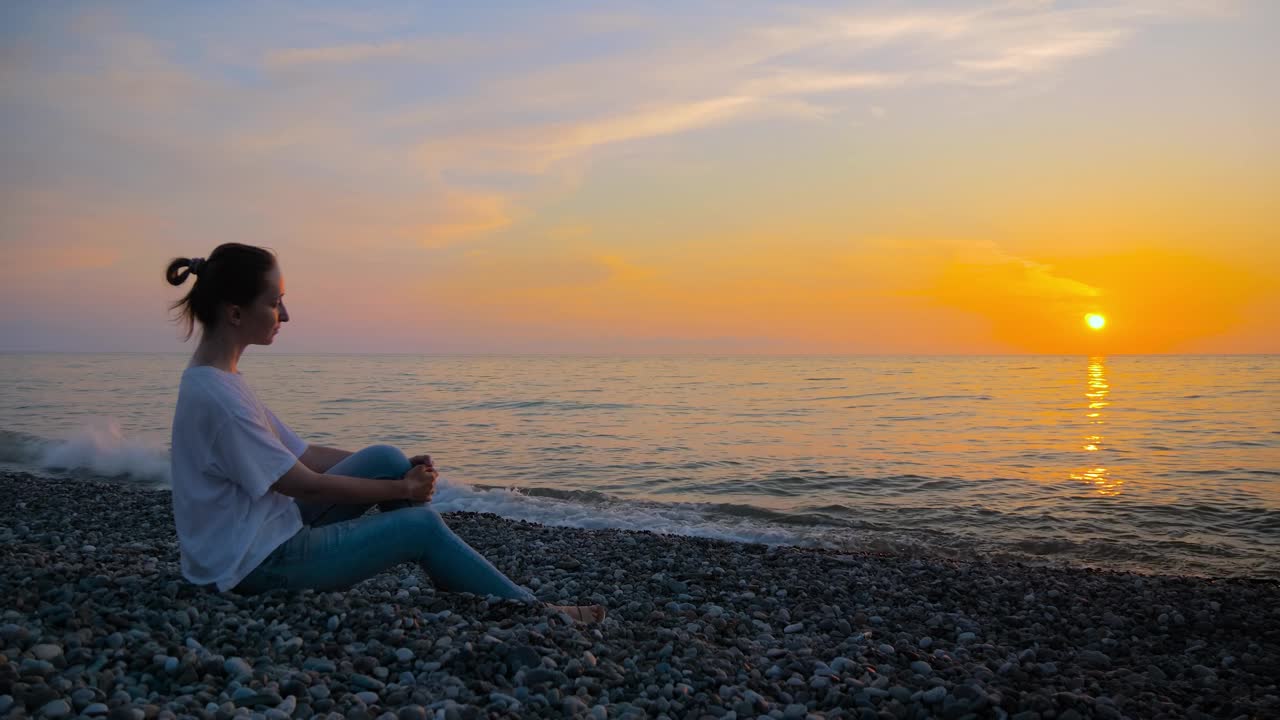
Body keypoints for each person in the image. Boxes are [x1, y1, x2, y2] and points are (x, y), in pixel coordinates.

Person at [164, 243, 605, 623]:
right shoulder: (220, 398)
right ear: (236, 312)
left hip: (258, 536)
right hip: (254, 566)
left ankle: (451, 570)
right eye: (275, 302)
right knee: (421, 528)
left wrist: (397, 476)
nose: (286, 314)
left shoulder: (221, 379)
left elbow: (302, 453)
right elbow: (303, 483)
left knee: (385, 455)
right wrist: (400, 489)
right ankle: (531, 609)